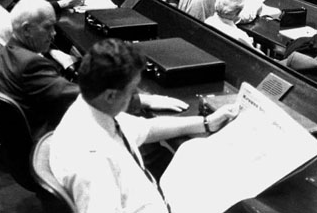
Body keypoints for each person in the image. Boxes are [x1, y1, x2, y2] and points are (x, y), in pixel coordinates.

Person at [50, 38, 239, 213]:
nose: (135, 98)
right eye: (131, 91)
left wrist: (206, 123)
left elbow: (147, 128)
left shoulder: (91, 112)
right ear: (110, 95)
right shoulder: (93, 162)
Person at [0, 0, 83, 136]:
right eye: (48, 27)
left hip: (17, 129)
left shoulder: (8, 49)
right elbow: (79, 97)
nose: (54, 34)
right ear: (27, 29)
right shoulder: (32, 65)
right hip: (42, 135)